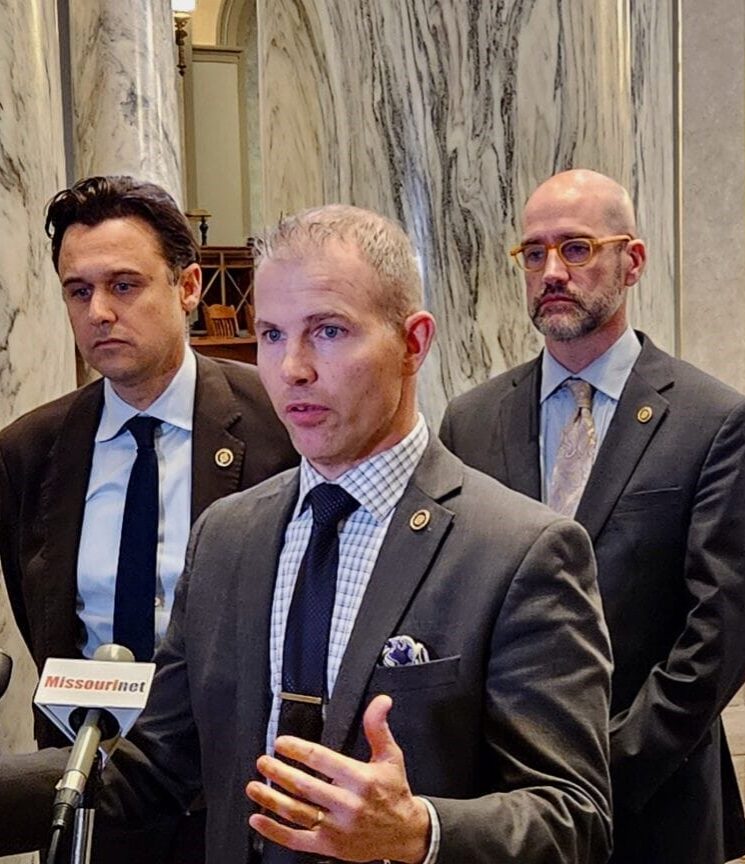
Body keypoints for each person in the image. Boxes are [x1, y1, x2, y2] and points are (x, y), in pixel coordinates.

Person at [0, 204, 613, 863]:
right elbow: (153, 767)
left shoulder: (519, 550)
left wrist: (419, 831)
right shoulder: (227, 537)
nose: (292, 367)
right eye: (271, 334)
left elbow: (573, 817)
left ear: (413, 343)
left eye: (327, 331)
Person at [438, 168, 745, 864]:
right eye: (534, 253)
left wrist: (599, 774)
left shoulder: (713, 422)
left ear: (633, 261)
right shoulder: (471, 422)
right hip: (499, 806)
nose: (552, 272)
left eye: (577, 248)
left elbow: (723, 630)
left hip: (654, 802)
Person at [0, 176, 297, 861]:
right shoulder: (28, 452)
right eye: (79, 291)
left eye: (124, 285)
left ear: (188, 287)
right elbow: (42, 616)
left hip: (238, 794)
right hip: (87, 791)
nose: (100, 312)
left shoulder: (278, 426)